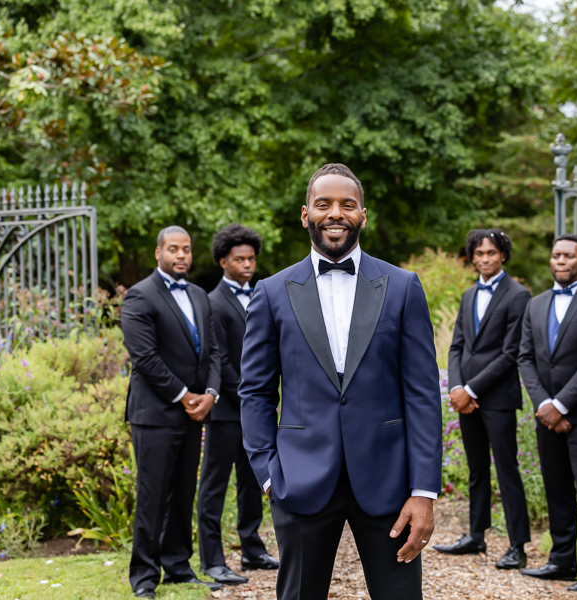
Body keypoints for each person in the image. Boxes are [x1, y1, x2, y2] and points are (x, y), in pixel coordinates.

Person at [239, 163, 443, 600]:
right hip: (300, 480)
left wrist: (424, 490)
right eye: (324, 204)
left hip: (389, 482)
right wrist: (268, 475)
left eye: (347, 204)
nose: (336, 213)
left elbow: (423, 394)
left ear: (363, 215)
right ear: (305, 214)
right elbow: (255, 390)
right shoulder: (272, 292)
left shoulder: (403, 287)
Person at [120, 226, 223, 598]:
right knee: (152, 495)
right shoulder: (140, 296)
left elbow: (213, 352)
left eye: (187, 250)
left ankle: (178, 566)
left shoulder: (198, 295)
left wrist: (210, 393)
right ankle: (144, 577)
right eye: (174, 249)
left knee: (182, 493)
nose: (182, 255)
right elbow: (145, 357)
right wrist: (183, 395)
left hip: (195, 411)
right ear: (158, 253)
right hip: (155, 413)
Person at [517, 233, 577, 593]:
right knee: (556, 487)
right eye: (556, 255)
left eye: (568, 256)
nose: (561, 261)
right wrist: (544, 404)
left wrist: (561, 405)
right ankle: (561, 559)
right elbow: (525, 357)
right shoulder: (536, 304)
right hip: (546, 413)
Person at [434, 229, 531, 570]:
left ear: (503, 255)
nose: (484, 258)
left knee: (507, 470)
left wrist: (472, 390)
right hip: (467, 398)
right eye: (479, 254)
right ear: (472, 257)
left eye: (491, 253)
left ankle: (519, 546)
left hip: (498, 397)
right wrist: (457, 389)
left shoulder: (519, 295)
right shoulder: (468, 294)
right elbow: (457, 345)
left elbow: (510, 354)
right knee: (477, 469)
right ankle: (476, 535)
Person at [198, 224, 279, 585]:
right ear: (223, 261)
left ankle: (252, 549)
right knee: (214, 484)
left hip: (255, 414)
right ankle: (212, 559)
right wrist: (251, 391)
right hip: (226, 411)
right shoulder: (212, 303)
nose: (247, 265)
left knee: (252, 481)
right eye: (239, 259)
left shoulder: (261, 295)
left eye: (251, 259)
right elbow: (218, 359)